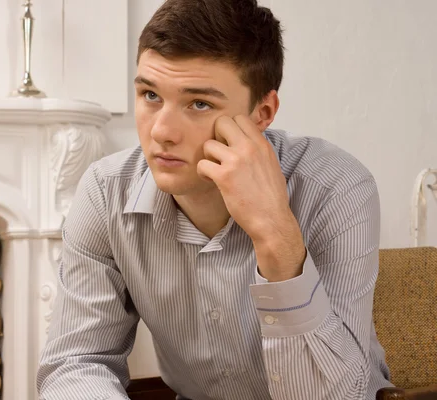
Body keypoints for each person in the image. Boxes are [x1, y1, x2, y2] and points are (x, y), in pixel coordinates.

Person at [36, 0, 393, 399]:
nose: (162, 132)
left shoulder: (335, 188)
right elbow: (76, 362)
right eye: (150, 95)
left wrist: (275, 235)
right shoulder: (105, 192)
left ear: (262, 112)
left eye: (199, 104)